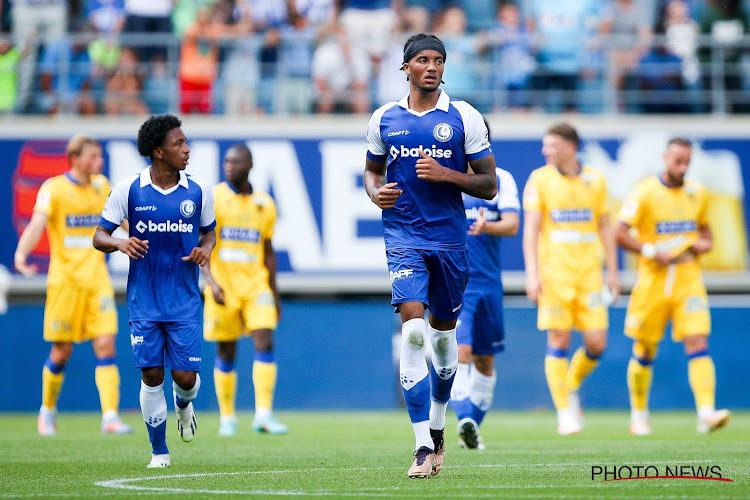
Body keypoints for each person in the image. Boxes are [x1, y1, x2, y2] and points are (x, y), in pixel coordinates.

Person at [363, 33, 497, 478]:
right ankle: (422, 444)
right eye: (422, 60)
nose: (432, 67)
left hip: (450, 242)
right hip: (403, 236)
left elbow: (489, 185)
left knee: (442, 342)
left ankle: (439, 425)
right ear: (406, 67)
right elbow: (371, 170)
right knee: (414, 333)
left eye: (438, 60)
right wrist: (374, 194)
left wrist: (446, 174)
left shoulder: (464, 117)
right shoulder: (384, 118)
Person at [93, 114, 216, 468]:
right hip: (144, 300)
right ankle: (159, 451)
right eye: (179, 144)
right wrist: (118, 242)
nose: (187, 149)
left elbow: (209, 231)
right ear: (158, 152)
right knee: (152, 374)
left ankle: (183, 404)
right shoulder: (128, 189)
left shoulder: (198, 190)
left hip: (184, 301)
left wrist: (206, 249)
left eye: (186, 142)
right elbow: (99, 235)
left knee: (185, 378)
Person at [14, 135, 133, 436]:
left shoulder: (102, 186)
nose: (99, 161)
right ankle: (47, 411)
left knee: (106, 344)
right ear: (76, 158)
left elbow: (123, 222)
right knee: (61, 351)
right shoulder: (53, 189)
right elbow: (38, 224)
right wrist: (21, 254)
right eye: (93, 156)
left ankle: (110, 417)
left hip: (98, 282)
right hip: (65, 283)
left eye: (99, 156)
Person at [614, 137, 731, 436]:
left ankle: (706, 413)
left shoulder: (698, 194)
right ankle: (639, 415)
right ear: (665, 157)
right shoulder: (645, 193)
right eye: (678, 160)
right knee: (644, 348)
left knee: (698, 341)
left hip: (688, 280)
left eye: (687, 161)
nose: (682, 166)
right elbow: (619, 232)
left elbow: (707, 235)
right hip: (653, 281)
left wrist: (701, 245)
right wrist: (654, 251)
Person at [522, 122, 620, 435]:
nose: (545, 151)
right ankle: (565, 411)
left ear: (570, 147)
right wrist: (533, 273)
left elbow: (605, 226)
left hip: (590, 275)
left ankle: (570, 384)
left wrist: (614, 271)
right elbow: (531, 230)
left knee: (597, 343)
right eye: (545, 145)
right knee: (558, 340)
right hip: (555, 275)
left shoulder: (596, 179)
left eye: (551, 145)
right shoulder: (539, 179)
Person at [201, 143, 287, 437]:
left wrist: (275, 294)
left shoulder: (264, 203)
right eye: (226, 161)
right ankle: (227, 417)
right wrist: (210, 284)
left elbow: (268, 251)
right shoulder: (214, 198)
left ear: (249, 165)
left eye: (236, 162)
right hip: (223, 286)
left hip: (256, 286)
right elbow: (202, 246)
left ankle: (263, 415)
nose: (229, 166)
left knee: (264, 340)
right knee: (227, 350)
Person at [451, 119, 520, 450]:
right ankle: (464, 415)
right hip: (456, 283)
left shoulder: (500, 179)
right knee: (459, 352)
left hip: (490, 284)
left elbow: (512, 224)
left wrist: (486, 227)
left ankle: (471, 427)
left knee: (485, 361)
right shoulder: (446, 177)